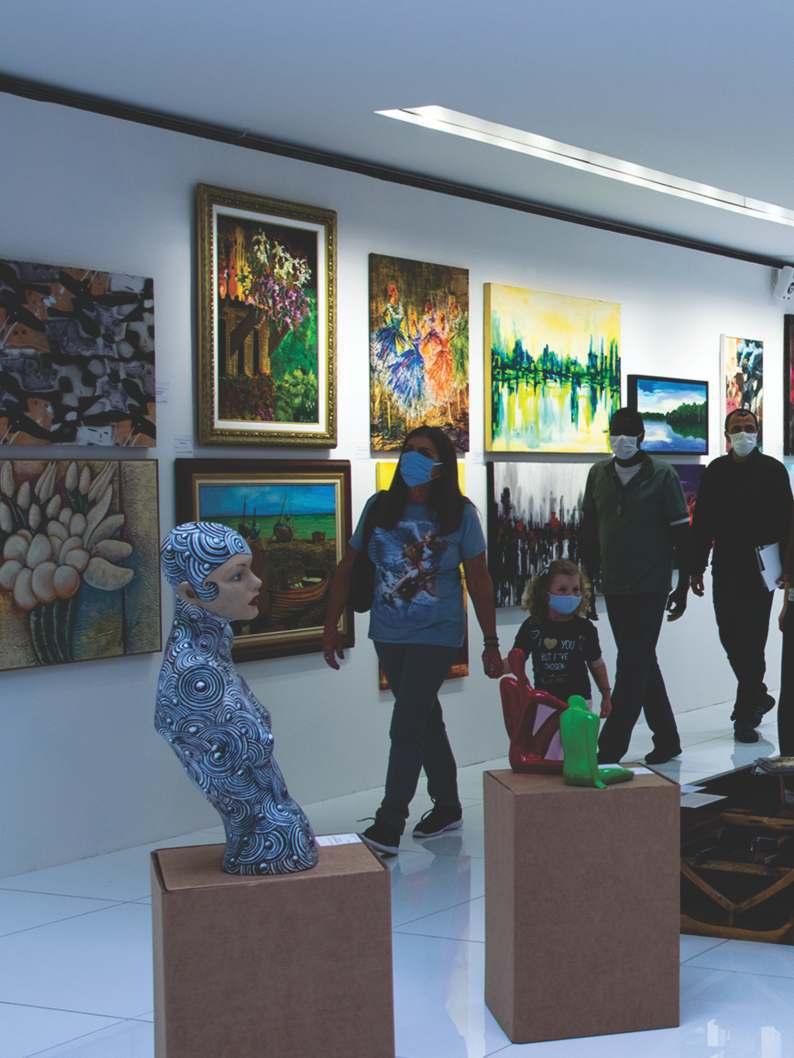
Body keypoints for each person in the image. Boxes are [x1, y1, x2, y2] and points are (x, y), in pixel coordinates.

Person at [322, 425, 502, 855]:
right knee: (424, 717)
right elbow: (348, 566)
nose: (412, 458)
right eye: (408, 450)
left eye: (423, 451)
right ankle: (449, 805)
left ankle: (390, 822)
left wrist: (490, 642)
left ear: (441, 464)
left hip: (437, 635)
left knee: (406, 723)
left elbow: (479, 580)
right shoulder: (380, 506)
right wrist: (331, 625)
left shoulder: (460, 514)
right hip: (388, 633)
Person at [581, 407, 690, 764]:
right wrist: (586, 583)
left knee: (631, 663)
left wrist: (683, 585)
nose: (622, 439)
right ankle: (668, 739)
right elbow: (589, 532)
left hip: (651, 585)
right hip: (614, 584)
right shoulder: (598, 474)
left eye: (629, 432)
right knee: (641, 660)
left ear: (642, 436)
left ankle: (609, 748)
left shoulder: (662, 474)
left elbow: (681, 533)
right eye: (616, 432)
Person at [690, 409, 792, 743]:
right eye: (738, 428)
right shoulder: (716, 471)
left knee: (752, 640)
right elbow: (703, 522)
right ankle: (757, 694)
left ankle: (746, 714)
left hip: (763, 567)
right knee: (729, 636)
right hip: (726, 564)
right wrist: (696, 566)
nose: (744, 433)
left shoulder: (773, 470)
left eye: (749, 427)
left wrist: (788, 569)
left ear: (757, 432)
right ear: (727, 434)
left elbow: (788, 523)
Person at [507, 559, 613, 719]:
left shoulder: (585, 628)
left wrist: (606, 695)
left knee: (577, 736)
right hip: (544, 703)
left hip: (579, 703)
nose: (571, 595)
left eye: (576, 589)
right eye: (562, 590)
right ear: (545, 593)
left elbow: (596, 664)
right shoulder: (532, 626)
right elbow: (516, 659)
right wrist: (496, 666)